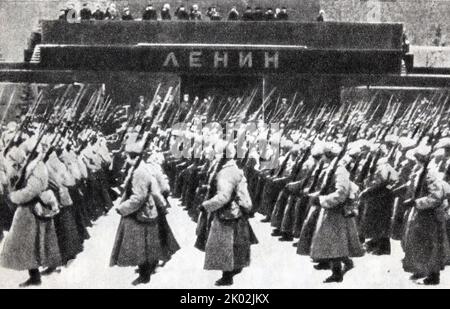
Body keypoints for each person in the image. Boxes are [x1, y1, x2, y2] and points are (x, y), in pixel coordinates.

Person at [110, 135, 180, 285]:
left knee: (141, 245)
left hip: (141, 213)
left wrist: (122, 208)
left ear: (133, 157)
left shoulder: (139, 172)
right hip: (147, 211)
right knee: (148, 244)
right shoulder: (141, 168)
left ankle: (144, 275)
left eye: (128, 157)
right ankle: (147, 270)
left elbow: (138, 198)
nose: (126, 159)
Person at [199, 142, 258, 286]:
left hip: (227, 214)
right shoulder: (235, 169)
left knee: (225, 246)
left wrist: (206, 206)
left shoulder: (226, 172)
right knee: (235, 245)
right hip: (237, 213)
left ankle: (227, 276)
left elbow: (223, 196)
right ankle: (232, 271)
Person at [402, 144, 450, 285]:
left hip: (429, 216)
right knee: (418, 243)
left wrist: (417, 202)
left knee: (430, 246)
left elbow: (436, 197)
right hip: (421, 214)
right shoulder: (422, 172)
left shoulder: (430, 175)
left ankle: (433, 276)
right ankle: (421, 269)